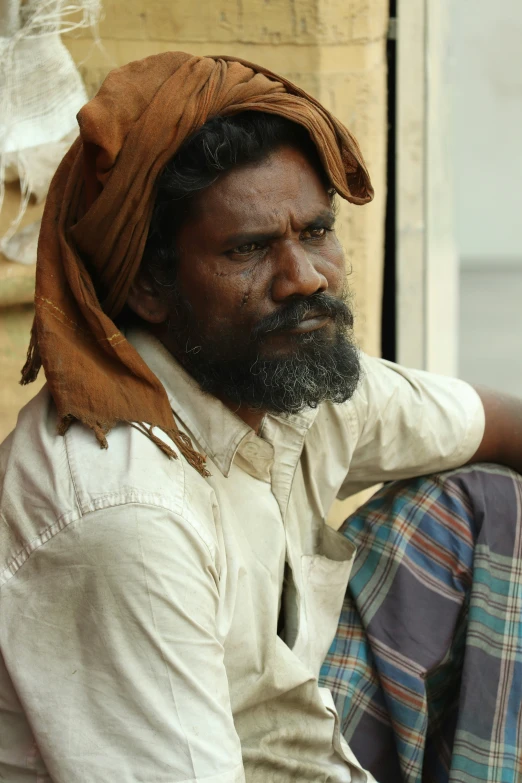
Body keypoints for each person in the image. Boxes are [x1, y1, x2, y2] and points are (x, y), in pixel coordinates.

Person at [0, 52, 520, 783]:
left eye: (314, 232)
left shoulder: (287, 378)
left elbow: (496, 422)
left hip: (285, 738)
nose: (305, 276)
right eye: (248, 249)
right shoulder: (125, 510)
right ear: (150, 285)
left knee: (495, 506)